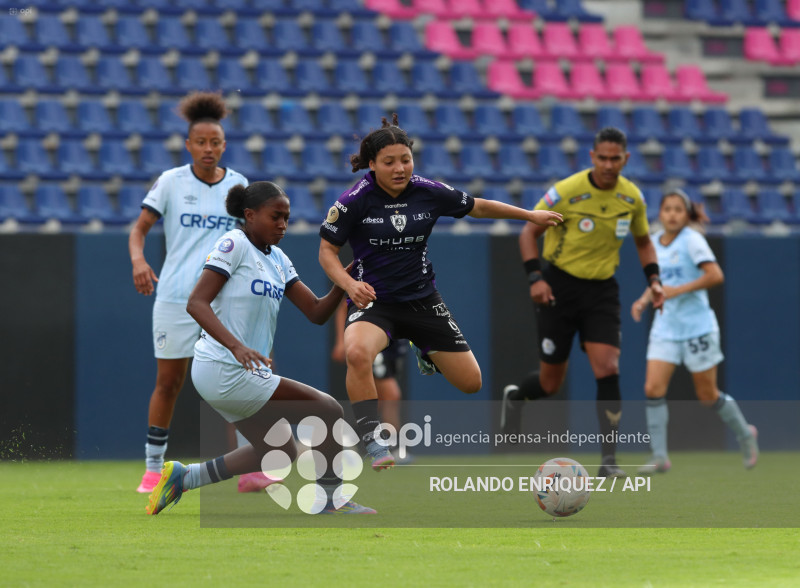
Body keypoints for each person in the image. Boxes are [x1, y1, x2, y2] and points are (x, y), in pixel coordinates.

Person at [318, 114, 563, 470]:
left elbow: (478, 206)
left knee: (471, 383)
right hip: (376, 302)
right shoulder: (353, 201)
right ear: (371, 165)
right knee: (357, 353)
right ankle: (373, 439)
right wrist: (350, 284)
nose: (399, 168)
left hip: (422, 301)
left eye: (405, 159)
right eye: (389, 162)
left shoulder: (428, 191)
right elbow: (326, 252)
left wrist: (529, 215)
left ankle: (424, 348)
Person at [147, 181, 376, 515]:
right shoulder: (233, 244)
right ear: (250, 215)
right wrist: (237, 347)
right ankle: (331, 499)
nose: (283, 224)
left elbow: (315, 312)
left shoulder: (279, 259)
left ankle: (185, 477)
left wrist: (344, 281)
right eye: (275, 217)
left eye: (286, 217)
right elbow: (196, 303)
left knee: (278, 449)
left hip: (237, 371)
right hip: (224, 367)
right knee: (328, 411)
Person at [500, 127, 665, 478]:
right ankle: (516, 396)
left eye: (615, 158)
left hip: (602, 292)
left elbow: (645, 242)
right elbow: (529, 231)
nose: (608, 164)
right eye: (602, 158)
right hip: (558, 287)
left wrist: (655, 280)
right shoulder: (567, 191)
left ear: (625, 159)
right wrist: (535, 278)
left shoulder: (632, 198)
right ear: (592, 157)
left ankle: (608, 461)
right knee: (550, 384)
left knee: (608, 369)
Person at [128, 91, 266, 494]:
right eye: (201, 142)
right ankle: (153, 469)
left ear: (224, 145)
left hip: (224, 301)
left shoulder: (240, 185)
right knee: (169, 383)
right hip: (174, 296)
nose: (208, 148)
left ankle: (250, 469)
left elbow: (253, 241)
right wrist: (139, 261)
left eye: (215, 142)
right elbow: (139, 230)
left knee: (238, 380)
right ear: (188, 144)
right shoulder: (171, 182)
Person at [631, 188, 758, 474]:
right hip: (665, 326)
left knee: (707, 395)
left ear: (686, 215)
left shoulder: (693, 241)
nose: (672, 214)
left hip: (697, 327)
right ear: (660, 213)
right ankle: (660, 456)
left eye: (678, 209)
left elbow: (715, 274)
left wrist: (678, 290)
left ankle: (745, 434)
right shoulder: (652, 243)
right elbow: (657, 282)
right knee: (652, 388)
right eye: (667, 209)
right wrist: (643, 300)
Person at [331, 301, 412, 463]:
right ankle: (393, 448)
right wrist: (341, 341)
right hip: (371, 334)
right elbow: (344, 306)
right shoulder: (366, 276)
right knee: (392, 394)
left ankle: (350, 441)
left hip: (393, 341)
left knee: (380, 400)